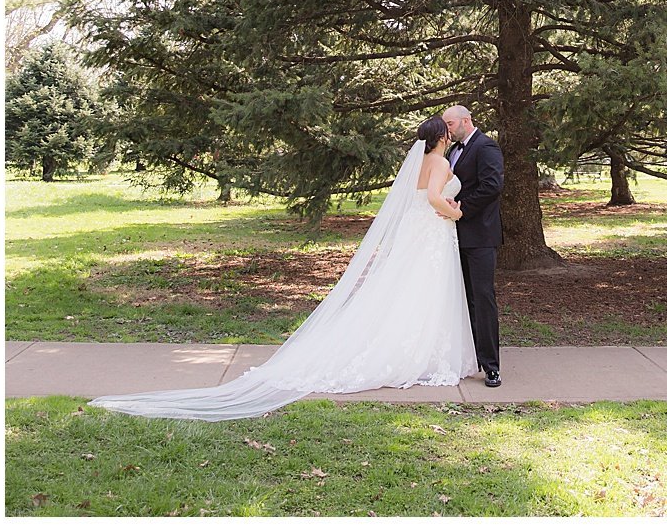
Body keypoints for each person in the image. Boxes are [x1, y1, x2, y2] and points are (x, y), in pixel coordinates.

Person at [90, 116, 478, 420]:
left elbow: (415, 196)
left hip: (419, 236)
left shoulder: (418, 162)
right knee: (423, 293)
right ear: (442, 138)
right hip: (431, 234)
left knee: (407, 293)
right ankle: (420, 354)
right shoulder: (441, 163)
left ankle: (418, 349)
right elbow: (431, 199)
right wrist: (455, 210)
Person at [441, 104, 505, 388]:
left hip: (480, 237)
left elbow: (492, 186)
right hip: (453, 235)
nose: (448, 129)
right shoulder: (451, 151)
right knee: (461, 299)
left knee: (482, 298)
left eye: (451, 124)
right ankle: (468, 358)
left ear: (466, 121)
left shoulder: (486, 147)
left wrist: (462, 207)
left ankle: (491, 366)